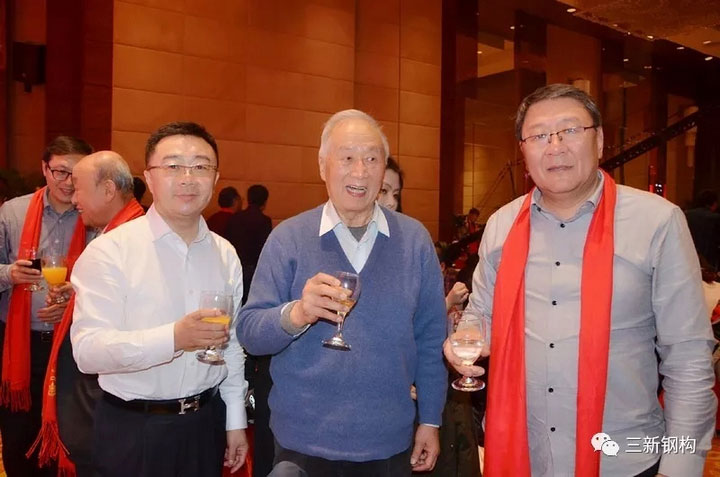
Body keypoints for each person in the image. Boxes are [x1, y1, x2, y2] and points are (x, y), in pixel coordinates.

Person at [445, 84, 716, 477]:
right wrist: (465, 339)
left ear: (599, 140)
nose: (555, 147)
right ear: (523, 152)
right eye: (539, 135)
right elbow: (480, 313)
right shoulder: (502, 225)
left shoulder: (657, 222)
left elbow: (688, 358)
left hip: (623, 461)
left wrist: (680, 468)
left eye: (570, 130)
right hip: (520, 454)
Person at [238, 109, 447, 475]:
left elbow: (431, 339)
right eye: (347, 158)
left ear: (384, 169)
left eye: (372, 159)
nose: (360, 171)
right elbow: (250, 332)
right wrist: (298, 314)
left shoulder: (414, 240)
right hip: (301, 442)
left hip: (388, 442)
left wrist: (430, 419)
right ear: (323, 166)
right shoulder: (289, 238)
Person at [70, 122, 248, 476]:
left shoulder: (225, 253)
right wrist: (173, 338)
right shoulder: (110, 252)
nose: (187, 178)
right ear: (149, 178)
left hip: (205, 425)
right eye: (173, 166)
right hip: (133, 429)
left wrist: (235, 420)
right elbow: (87, 352)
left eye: (200, 166)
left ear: (215, 179)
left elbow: (231, 344)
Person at [27, 151, 145, 476]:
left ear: (108, 190)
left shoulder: (129, 241)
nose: (74, 198)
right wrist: (79, 298)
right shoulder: (117, 232)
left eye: (78, 188)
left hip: (103, 400)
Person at [0, 135, 92, 477]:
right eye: (60, 172)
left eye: (76, 175)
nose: (68, 182)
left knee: (67, 431)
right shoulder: (13, 212)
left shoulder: (94, 214)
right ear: (44, 168)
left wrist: (74, 301)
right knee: (18, 434)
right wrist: (9, 273)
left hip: (71, 343)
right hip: (17, 342)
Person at [225, 184, 273, 477]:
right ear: (264, 202)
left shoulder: (235, 219)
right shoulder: (264, 221)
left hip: (239, 274)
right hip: (253, 277)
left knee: (237, 330)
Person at [686, 189, 720, 269]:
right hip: (709, 260)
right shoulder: (716, 218)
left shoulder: (686, 215)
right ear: (714, 203)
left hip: (688, 257)